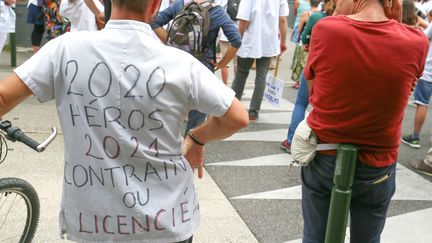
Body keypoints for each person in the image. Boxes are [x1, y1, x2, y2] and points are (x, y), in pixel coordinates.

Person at [0, 0, 249, 241]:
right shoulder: (182, 64)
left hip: (95, 221)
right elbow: (237, 117)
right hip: (167, 220)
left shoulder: (64, 49)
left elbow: (4, 96)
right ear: (155, 6)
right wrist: (196, 138)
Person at [298, 0, 428, 241]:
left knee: (315, 236)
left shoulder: (327, 29)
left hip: (325, 154)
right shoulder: (417, 41)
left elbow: (314, 93)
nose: (336, 4)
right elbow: (406, 87)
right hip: (378, 163)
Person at [150, 0, 242, 133]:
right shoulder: (216, 11)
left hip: (176, 62)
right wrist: (222, 64)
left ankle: (166, 144)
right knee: (197, 114)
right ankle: (190, 145)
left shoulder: (180, 4)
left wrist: (170, 43)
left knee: (170, 108)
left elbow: (154, 21)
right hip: (202, 66)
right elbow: (236, 40)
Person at [280, 0, 334, 153]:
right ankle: (322, 143)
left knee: (301, 103)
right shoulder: (348, 20)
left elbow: (304, 39)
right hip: (334, 70)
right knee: (324, 106)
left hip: (314, 64)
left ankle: (291, 141)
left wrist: (309, 42)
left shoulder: (317, 18)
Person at [231, 0, 289, 121]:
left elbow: (244, 20)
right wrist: (283, 42)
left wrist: (237, 38)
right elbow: (282, 19)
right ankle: (253, 112)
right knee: (262, 76)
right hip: (268, 41)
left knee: (241, 74)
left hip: (250, 40)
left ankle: (232, 109)